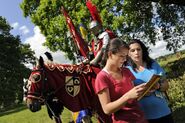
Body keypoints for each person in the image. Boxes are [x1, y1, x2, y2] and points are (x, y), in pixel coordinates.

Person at [94, 38, 148, 123]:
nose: (125, 59)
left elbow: (134, 96)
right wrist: (127, 96)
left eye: (126, 56)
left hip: (141, 119)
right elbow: (107, 109)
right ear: (110, 54)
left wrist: (145, 89)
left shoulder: (126, 71)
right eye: (122, 56)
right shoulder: (102, 77)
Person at [126, 39, 174, 123]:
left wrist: (158, 86)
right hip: (144, 116)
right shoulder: (126, 70)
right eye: (132, 50)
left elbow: (166, 84)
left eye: (138, 49)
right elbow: (126, 94)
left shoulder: (152, 63)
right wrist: (142, 92)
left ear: (142, 50)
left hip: (164, 111)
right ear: (128, 53)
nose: (136, 52)